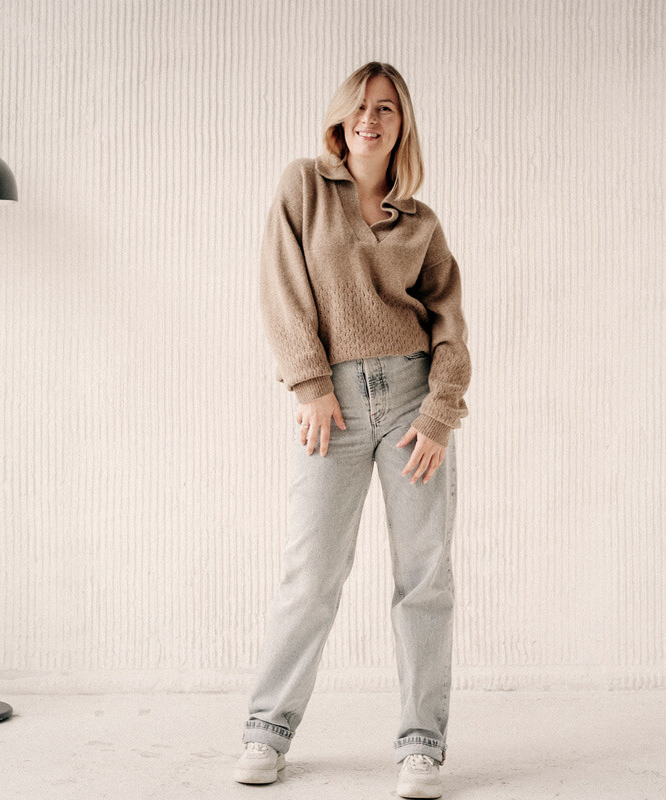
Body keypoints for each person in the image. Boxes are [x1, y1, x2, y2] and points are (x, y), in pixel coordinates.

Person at [235, 61, 470, 799]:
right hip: (329, 406)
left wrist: (439, 413)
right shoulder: (304, 186)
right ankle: (266, 730)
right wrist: (309, 383)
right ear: (341, 116)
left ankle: (421, 746)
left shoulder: (420, 222)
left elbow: (449, 324)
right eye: (361, 106)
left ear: (403, 124)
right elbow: (280, 287)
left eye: (387, 108)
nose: (371, 118)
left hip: (412, 406)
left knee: (424, 578)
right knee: (311, 574)